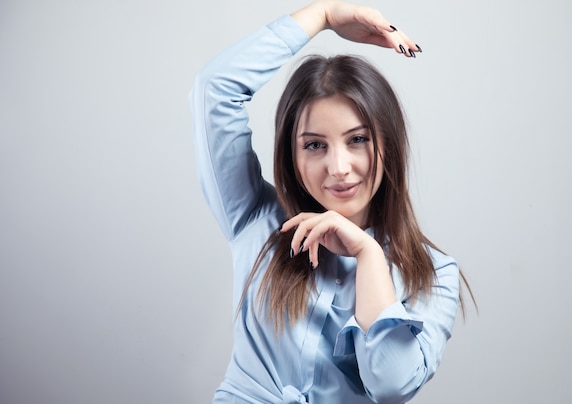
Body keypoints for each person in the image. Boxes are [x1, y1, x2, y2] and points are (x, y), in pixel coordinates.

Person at [190, 1, 469, 402]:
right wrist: (322, 16)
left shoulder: (433, 273)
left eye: (357, 140)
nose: (338, 167)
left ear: (388, 144)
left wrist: (370, 256)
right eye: (315, 145)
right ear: (292, 155)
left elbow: (391, 386)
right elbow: (213, 88)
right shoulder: (256, 217)